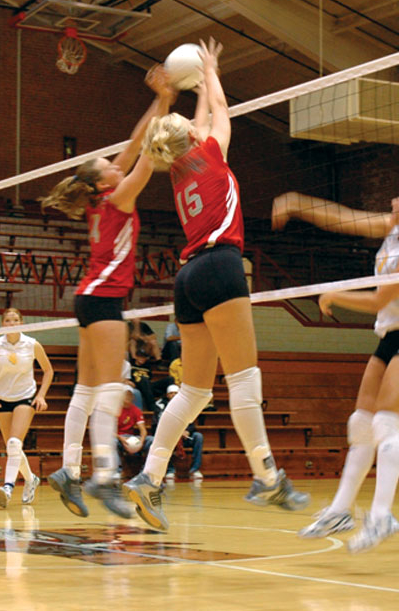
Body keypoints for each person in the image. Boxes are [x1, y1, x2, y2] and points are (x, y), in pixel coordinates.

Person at [123, 39, 309, 532]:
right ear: (189, 135)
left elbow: (205, 119)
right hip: (222, 267)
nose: (195, 119)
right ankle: (267, 475)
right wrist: (211, 72)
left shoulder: (182, 167)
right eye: (190, 121)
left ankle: (149, 478)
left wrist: (202, 85)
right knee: (244, 379)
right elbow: (220, 112)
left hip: (187, 278)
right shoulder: (207, 152)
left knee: (195, 392)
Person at [272, 183, 399, 552]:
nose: (393, 201)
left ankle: (382, 516)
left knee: (386, 424)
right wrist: (296, 202)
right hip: (389, 339)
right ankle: (340, 510)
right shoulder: (392, 228)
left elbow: (378, 300)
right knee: (361, 424)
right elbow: (342, 218)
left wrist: (336, 295)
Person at [42, 64, 175, 519]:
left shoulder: (103, 192)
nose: (115, 162)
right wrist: (171, 115)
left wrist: (161, 98)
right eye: (109, 165)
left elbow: (135, 141)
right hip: (102, 301)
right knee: (109, 387)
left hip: (89, 297)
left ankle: (68, 470)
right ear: (104, 180)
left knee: (86, 387)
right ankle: (103, 476)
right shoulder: (120, 195)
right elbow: (149, 156)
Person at [0, 308, 54, 508]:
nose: (11, 324)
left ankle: (8, 487)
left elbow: (48, 370)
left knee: (13, 443)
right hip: (2, 398)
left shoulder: (31, 344)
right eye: (8, 321)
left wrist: (41, 395)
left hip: (25, 396)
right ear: (3, 324)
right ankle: (31, 479)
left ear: (22, 322)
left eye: (15, 320)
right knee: (14, 448)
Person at [144, 384, 204, 483]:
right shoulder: (160, 407)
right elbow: (155, 426)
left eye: (176, 393)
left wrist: (187, 431)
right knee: (162, 442)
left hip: (184, 438)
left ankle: (195, 469)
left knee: (198, 436)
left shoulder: (186, 406)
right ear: (167, 395)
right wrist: (174, 432)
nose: (173, 395)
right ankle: (170, 470)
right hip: (169, 438)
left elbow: (192, 425)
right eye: (171, 393)